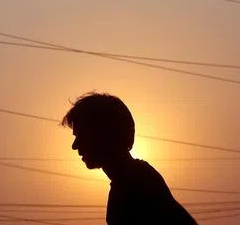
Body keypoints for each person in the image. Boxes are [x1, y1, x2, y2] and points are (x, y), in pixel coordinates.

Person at [61, 92, 198, 225]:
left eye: (82, 135)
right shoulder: (135, 180)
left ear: (104, 134)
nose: (75, 145)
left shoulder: (134, 187)